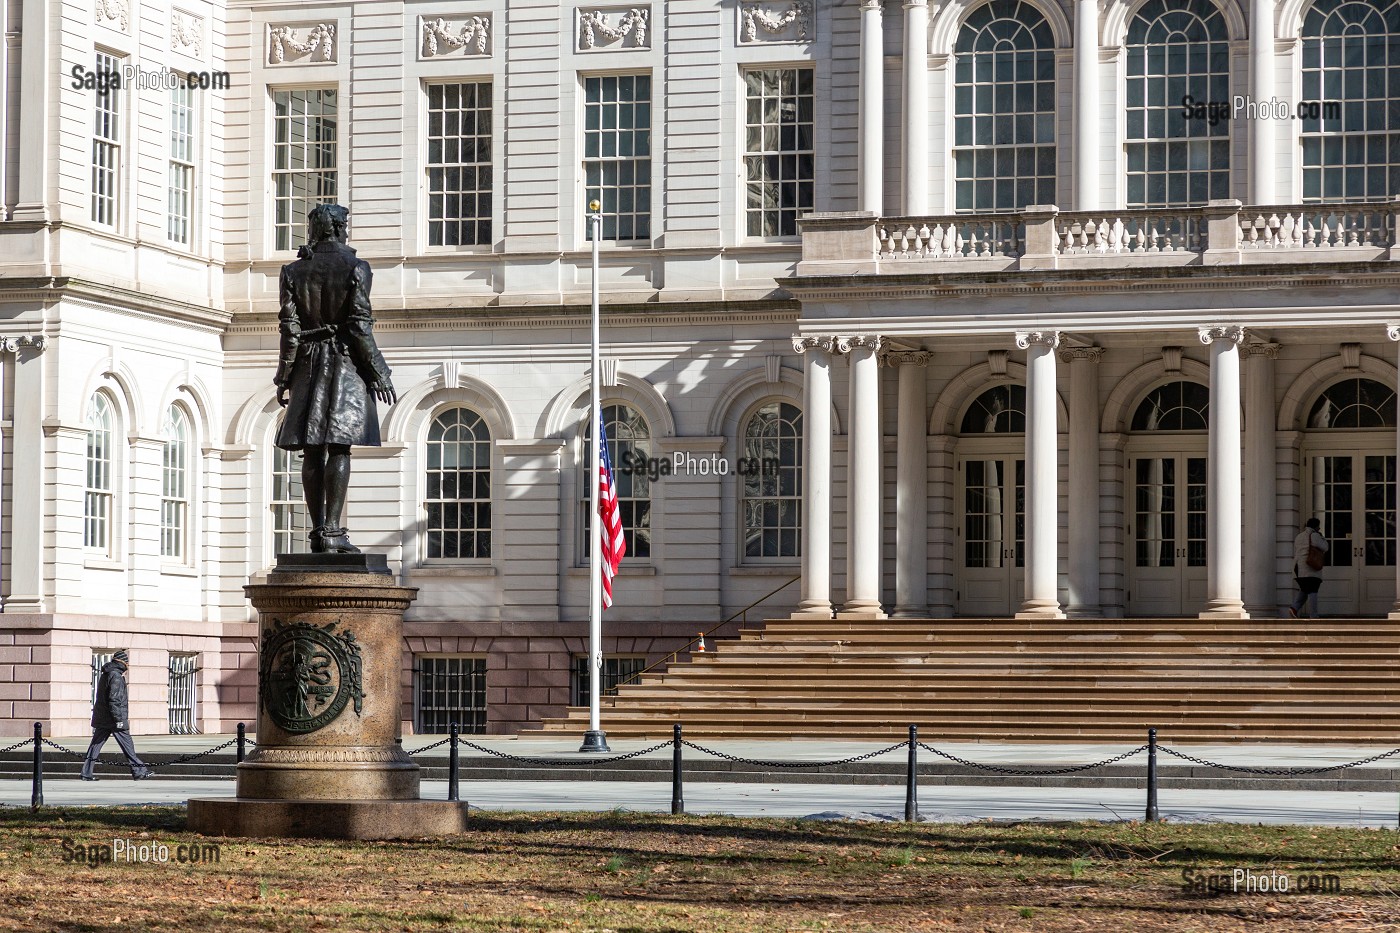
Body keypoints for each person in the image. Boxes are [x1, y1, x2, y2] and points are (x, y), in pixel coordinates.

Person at [274, 204, 397, 554]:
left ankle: (318, 533)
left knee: (312, 450)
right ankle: (331, 530)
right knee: (339, 447)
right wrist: (378, 372)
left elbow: (290, 329)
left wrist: (284, 375)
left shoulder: (294, 270)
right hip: (344, 363)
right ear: (340, 227)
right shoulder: (356, 267)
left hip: (308, 365)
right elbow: (359, 325)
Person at [81, 649, 152, 781]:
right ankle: (139, 771)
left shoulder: (107, 674)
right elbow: (114, 700)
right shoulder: (116, 676)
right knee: (127, 745)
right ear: (122, 662)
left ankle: (86, 773)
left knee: (95, 745)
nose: (128, 666)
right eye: (127, 663)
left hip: (103, 718)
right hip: (114, 719)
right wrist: (119, 720)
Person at [1290, 517, 1329, 619]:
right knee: (1313, 591)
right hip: (1310, 568)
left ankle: (1294, 608)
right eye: (1318, 526)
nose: (1319, 528)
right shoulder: (1314, 535)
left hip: (1298, 569)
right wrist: (1322, 538)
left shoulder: (1299, 536)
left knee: (1304, 589)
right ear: (1316, 526)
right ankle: (1313, 615)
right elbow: (1325, 547)